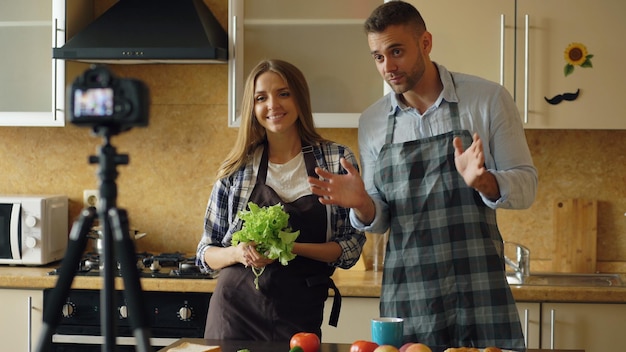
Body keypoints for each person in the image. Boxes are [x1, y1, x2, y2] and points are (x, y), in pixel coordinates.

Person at [308, 1, 537, 350]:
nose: (388, 66)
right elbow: (380, 218)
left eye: (396, 51)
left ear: (426, 43)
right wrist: (363, 205)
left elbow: (527, 185)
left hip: (479, 286)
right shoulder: (373, 122)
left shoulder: (487, 99)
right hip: (409, 292)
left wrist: (484, 182)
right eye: (378, 57)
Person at [195, 59, 365, 341]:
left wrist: (289, 247)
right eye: (261, 98)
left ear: (300, 97)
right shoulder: (238, 168)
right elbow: (205, 253)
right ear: (253, 107)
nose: (273, 105)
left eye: (283, 93)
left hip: (299, 311)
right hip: (235, 311)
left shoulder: (336, 160)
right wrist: (238, 253)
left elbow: (350, 247)